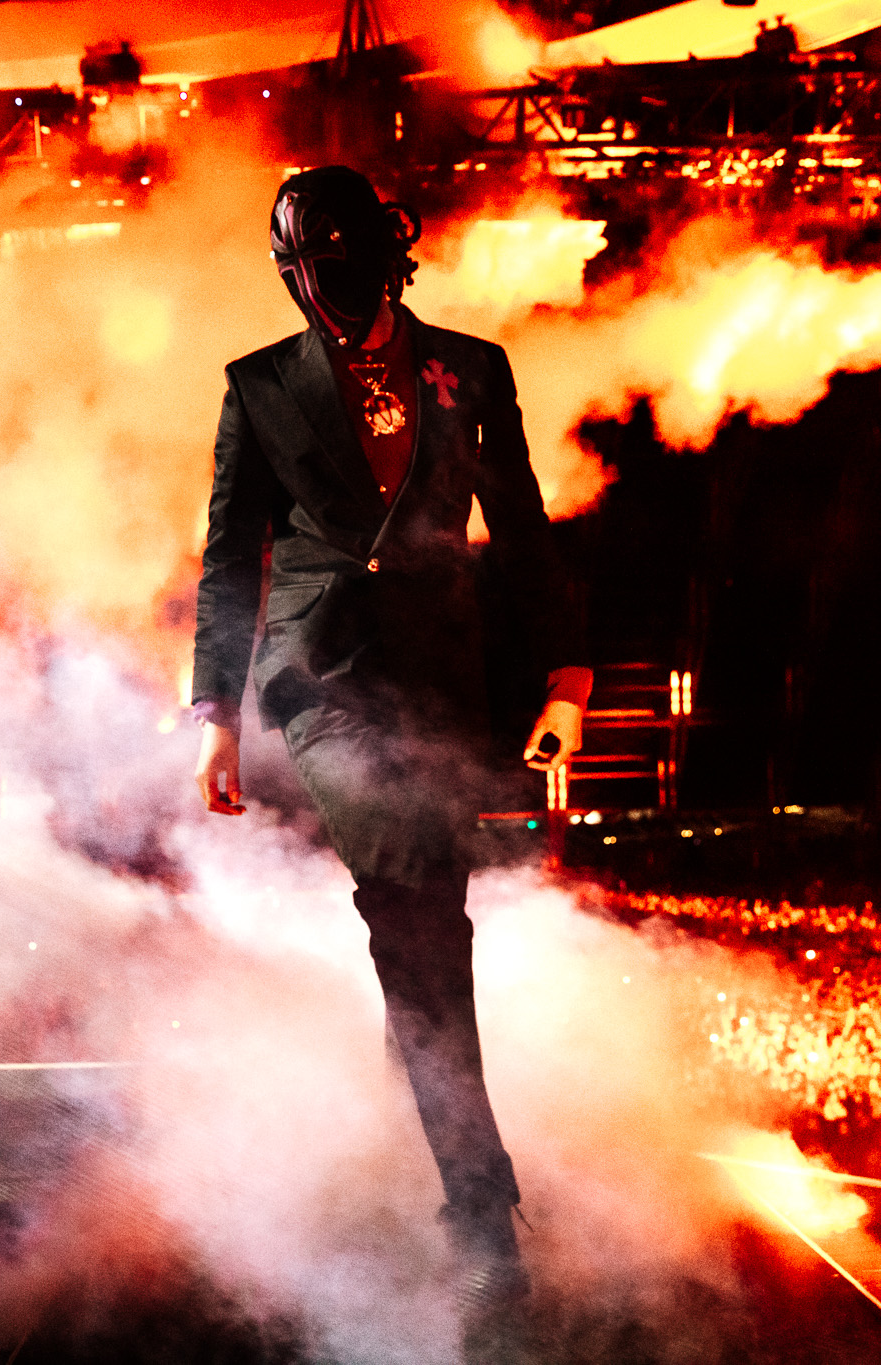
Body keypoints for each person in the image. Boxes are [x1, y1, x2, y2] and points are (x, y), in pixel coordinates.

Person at [190, 166, 591, 1310]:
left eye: (337, 266)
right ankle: (479, 1205)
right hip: (318, 681)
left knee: (423, 921)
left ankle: (397, 1135)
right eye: (300, 272)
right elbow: (229, 557)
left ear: (386, 257)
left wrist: (565, 678)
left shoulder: (472, 367)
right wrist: (215, 715)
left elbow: (521, 527)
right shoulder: (257, 385)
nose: (321, 291)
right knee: (412, 900)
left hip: (439, 677)